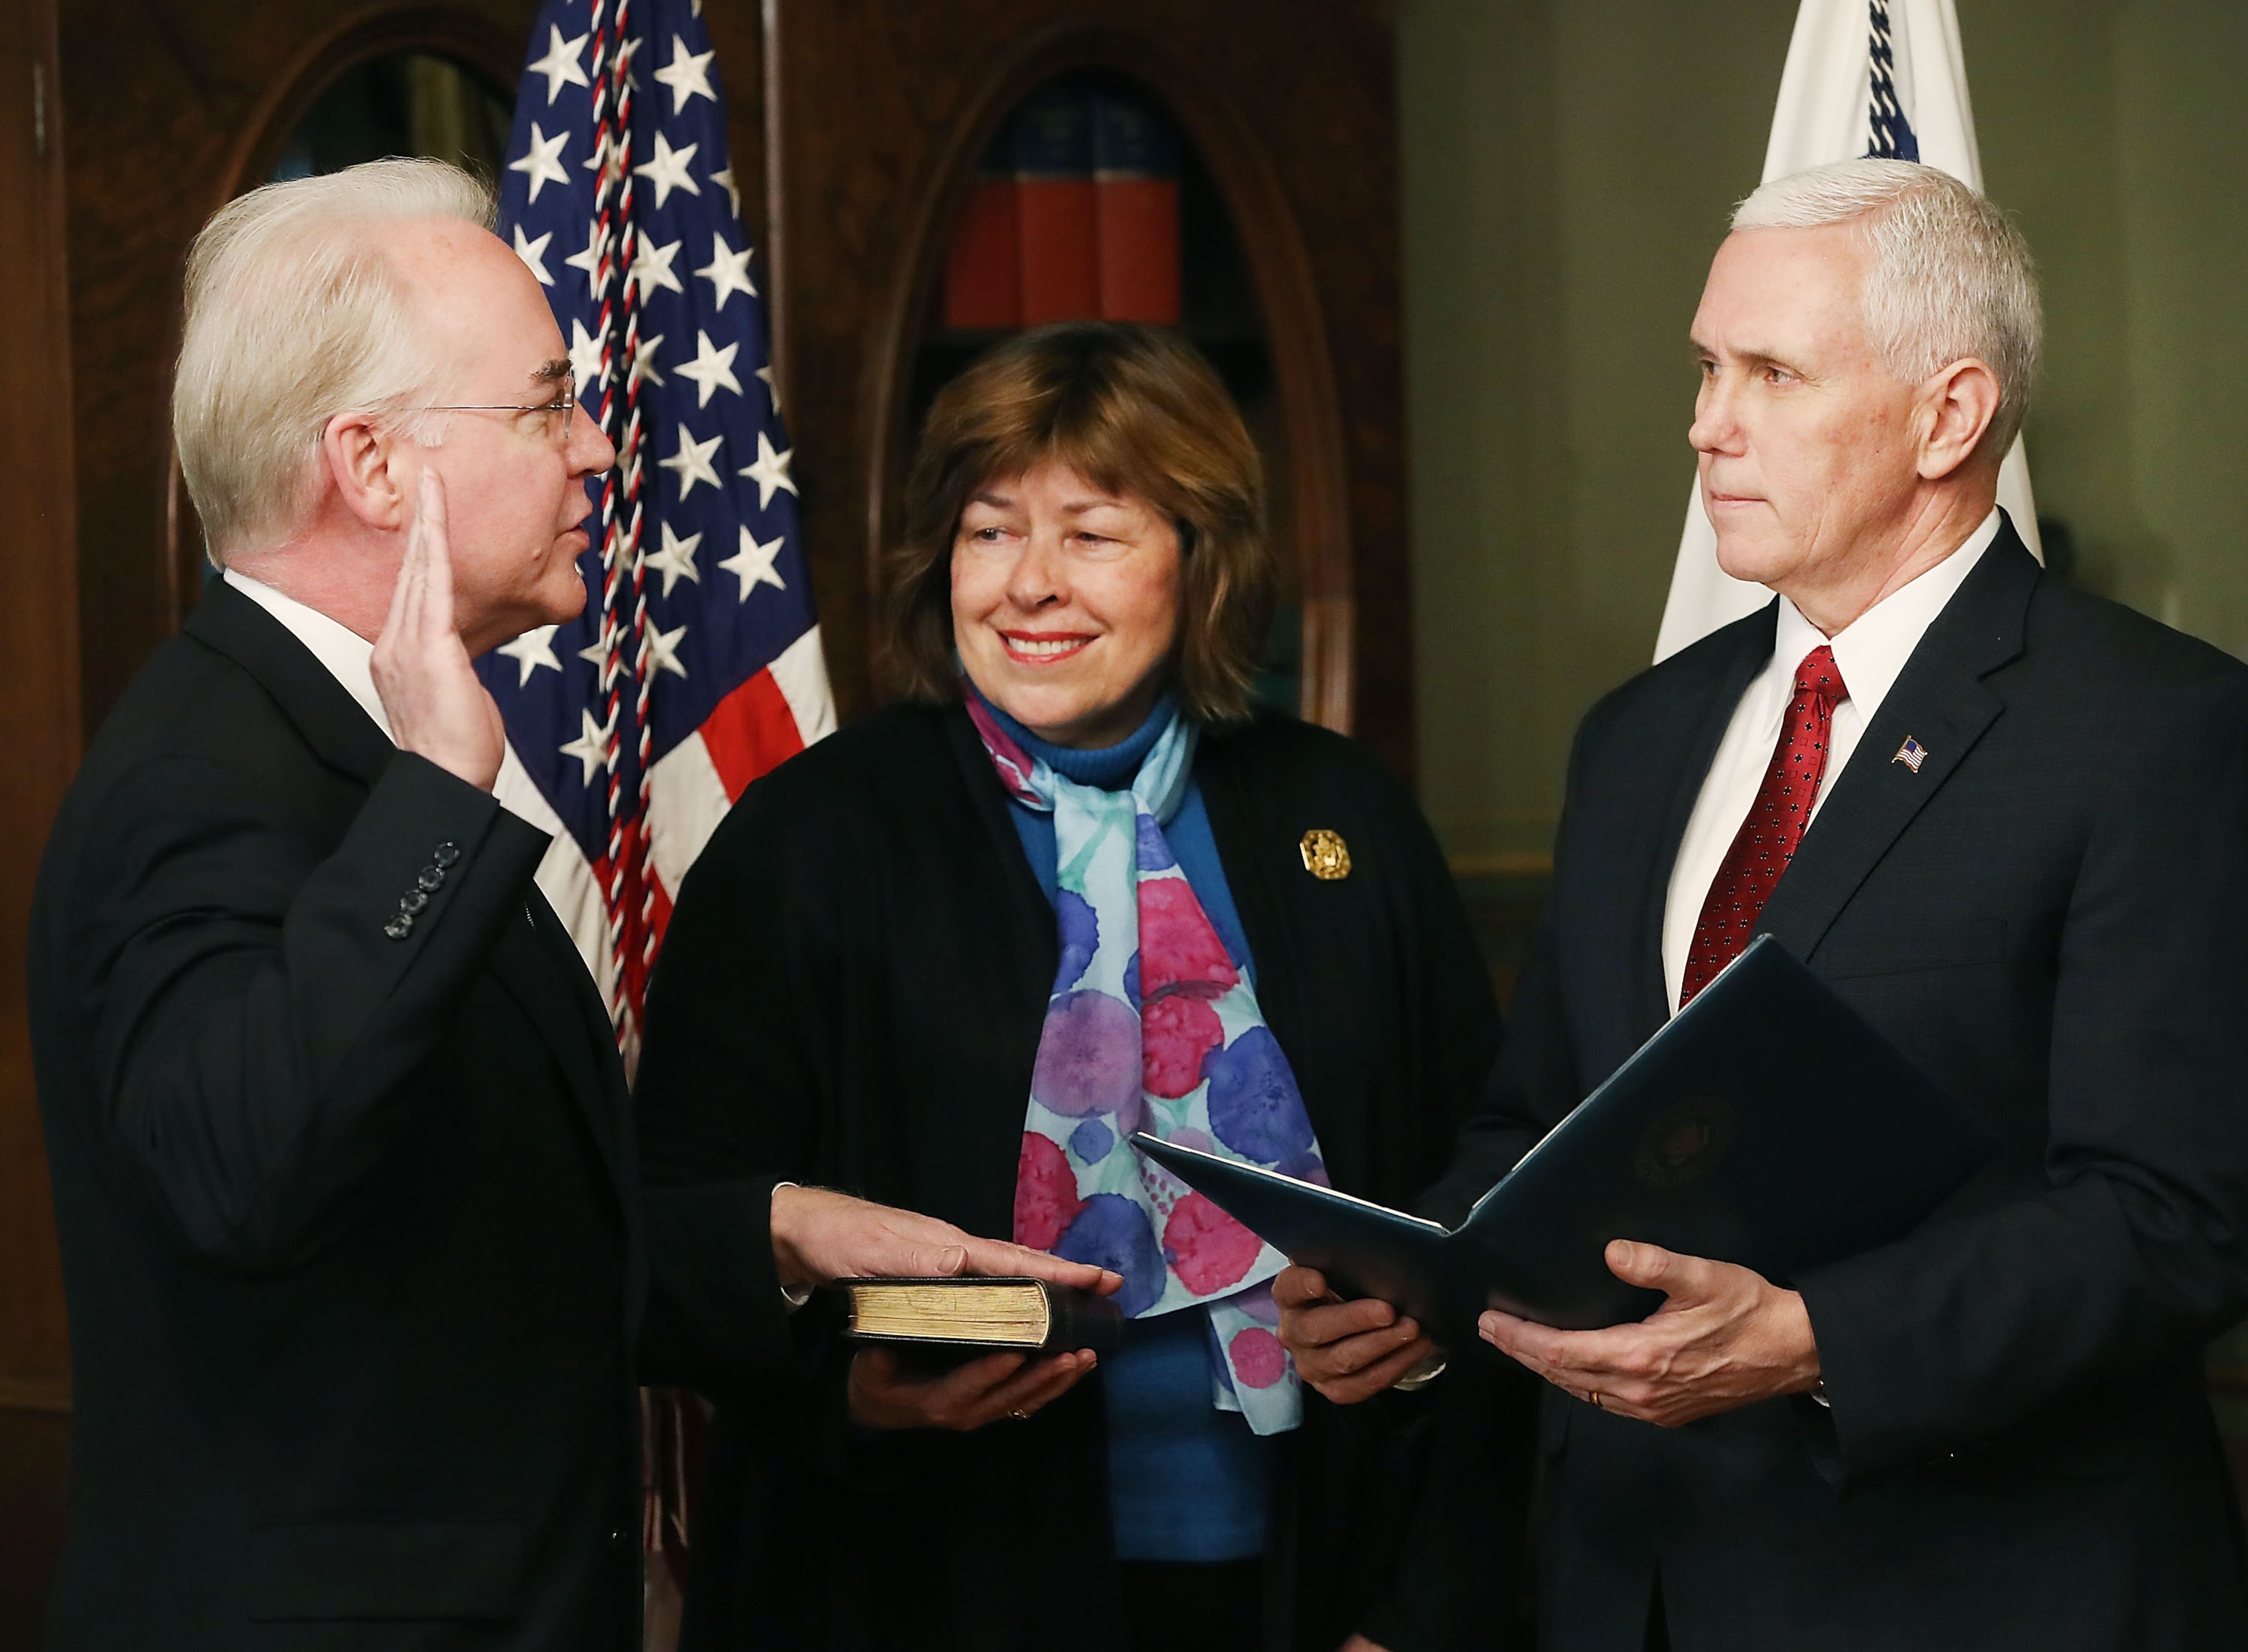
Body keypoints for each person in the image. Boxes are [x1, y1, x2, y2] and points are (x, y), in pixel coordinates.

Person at [29, 158, 1102, 1651]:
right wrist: (436, 807)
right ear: (375, 464)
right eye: (544, 408)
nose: (597, 450)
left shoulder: (367, 736)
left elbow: (472, 1226)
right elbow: (241, 1173)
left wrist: (778, 1235)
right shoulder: (210, 772)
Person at [1279, 157, 2248, 1650]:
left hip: (1980, 1591)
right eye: (1706, 367)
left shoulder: (2155, 728)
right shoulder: (1640, 733)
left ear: (1950, 413)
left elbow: (2174, 1217)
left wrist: (1815, 1344)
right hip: (1632, 1581)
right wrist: (1422, 1281)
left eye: (1772, 373)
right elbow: (1540, 1121)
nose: (1704, 424)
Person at [633, 321, 1533, 1652]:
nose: (1028, 586)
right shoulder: (808, 839)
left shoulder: (1342, 813)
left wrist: (1422, 1609)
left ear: (1200, 561)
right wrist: (855, 1394)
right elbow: (667, 1231)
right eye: (991, 531)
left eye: (1093, 535)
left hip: (1322, 1578)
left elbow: (1491, 1184)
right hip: (916, 1583)